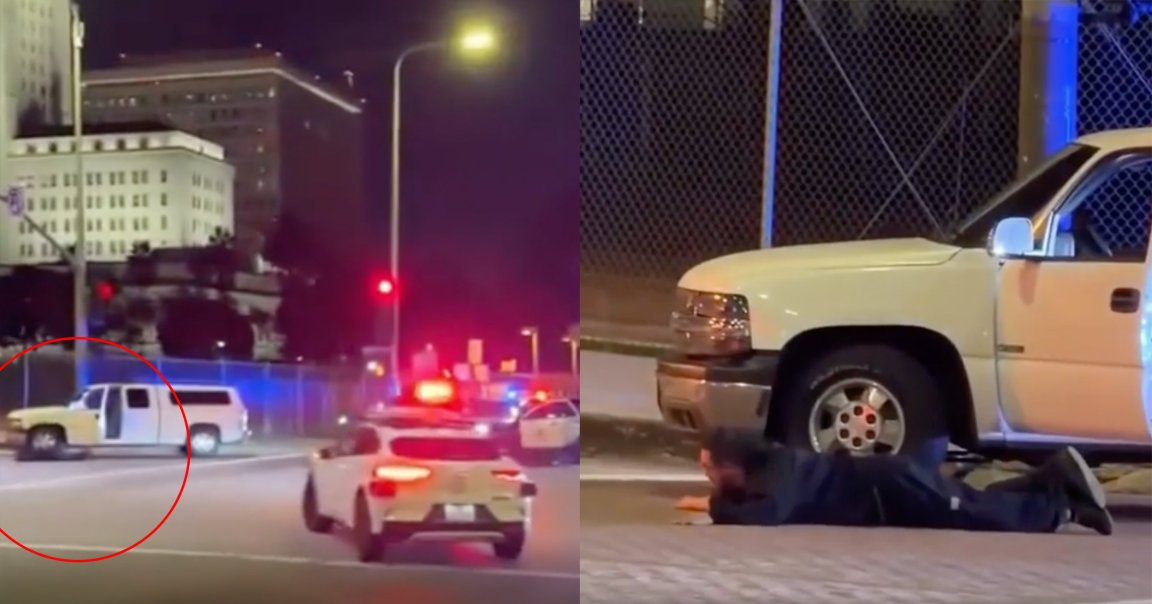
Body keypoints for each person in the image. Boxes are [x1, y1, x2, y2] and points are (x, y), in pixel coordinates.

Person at [679, 428, 1112, 535]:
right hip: (886, 493)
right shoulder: (760, 473)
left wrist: (716, 508)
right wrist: (712, 501)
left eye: (709, 468)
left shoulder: (780, 471)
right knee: (967, 501)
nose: (708, 475)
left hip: (889, 486)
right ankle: (1051, 476)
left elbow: (772, 513)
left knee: (974, 514)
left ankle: (1065, 507)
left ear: (732, 464)